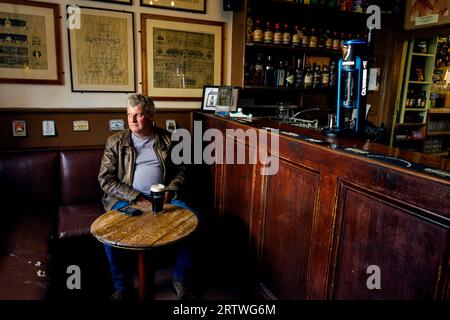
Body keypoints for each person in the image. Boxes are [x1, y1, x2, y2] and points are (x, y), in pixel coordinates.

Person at [98, 94, 197, 300]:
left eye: (139, 115)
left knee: (194, 223)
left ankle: (179, 277)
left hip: (162, 197)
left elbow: (182, 170)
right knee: (109, 234)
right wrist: (134, 196)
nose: (132, 120)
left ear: (151, 116)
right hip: (126, 199)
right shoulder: (115, 142)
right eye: (129, 115)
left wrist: (170, 189)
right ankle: (122, 287)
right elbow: (105, 179)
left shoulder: (169, 139)